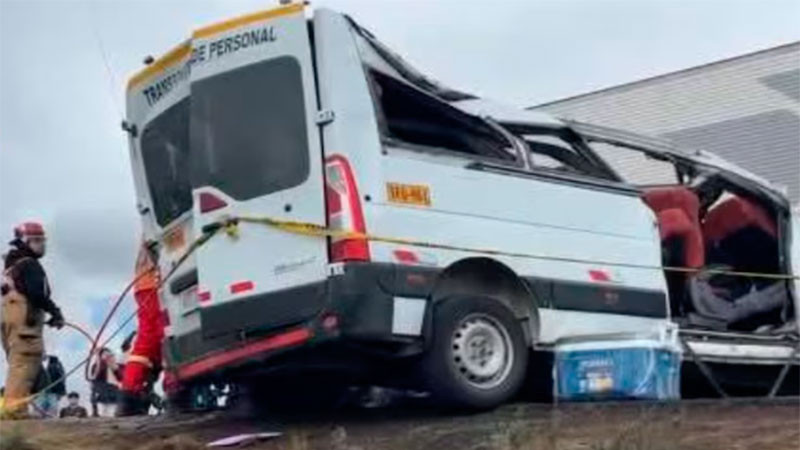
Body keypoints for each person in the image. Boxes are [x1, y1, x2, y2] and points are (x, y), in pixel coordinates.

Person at [1, 222, 65, 419]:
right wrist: (55, 312)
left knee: (17, 364)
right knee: (25, 363)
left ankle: (12, 412)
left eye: (42, 240)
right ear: (24, 242)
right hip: (25, 327)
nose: (41, 245)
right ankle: (13, 418)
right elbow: (36, 294)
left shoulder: (11, 267)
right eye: (36, 241)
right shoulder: (29, 264)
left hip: (9, 322)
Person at [117, 242, 165, 416]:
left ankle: (130, 397)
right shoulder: (153, 228)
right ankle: (173, 388)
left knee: (149, 341)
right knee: (162, 335)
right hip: (154, 282)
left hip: (145, 284)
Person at [89, 347, 122, 417]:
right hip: (102, 394)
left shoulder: (117, 366)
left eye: (110, 355)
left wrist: (113, 366)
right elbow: (96, 374)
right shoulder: (97, 366)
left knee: (113, 413)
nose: (108, 357)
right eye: (105, 355)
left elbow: (121, 377)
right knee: (102, 414)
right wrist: (100, 358)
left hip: (114, 393)